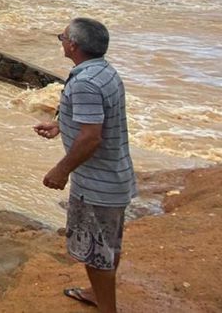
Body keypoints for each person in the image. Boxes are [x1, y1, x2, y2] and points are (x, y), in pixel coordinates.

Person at [34, 18, 136, 313]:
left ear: (73, 45)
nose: (61, 40)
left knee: (96, 252)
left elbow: (91, 138)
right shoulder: (104, 72)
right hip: (114, 177)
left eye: (62, 37)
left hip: (96, 185)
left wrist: (61, 170)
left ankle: (107, 307)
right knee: (107, 246)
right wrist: (59, 126)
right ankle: (96, 293)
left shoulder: (85, 82)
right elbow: (94, 121)